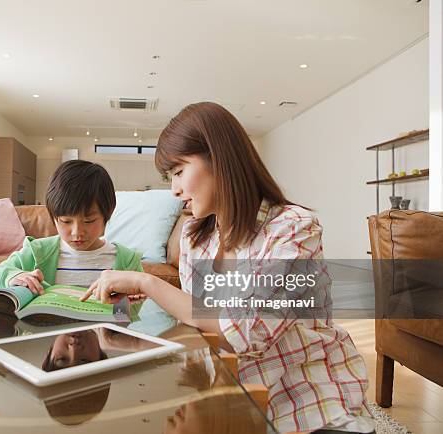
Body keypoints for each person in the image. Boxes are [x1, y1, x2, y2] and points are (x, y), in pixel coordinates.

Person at [81, 102, 374, 433]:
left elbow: (247, 329)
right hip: (228, 387)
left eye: (179, 172)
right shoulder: (197, 238)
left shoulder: (293, 227)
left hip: (302, 387)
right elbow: (201, 325)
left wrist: (149, 284)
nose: (174, 189)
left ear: (218, 158)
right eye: (169, 177)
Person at [0, 160, 143, 294]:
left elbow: (131, 317)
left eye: (89, 221)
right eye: (65, 221)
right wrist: (9, 277)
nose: (77, 232)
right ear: (53, 218)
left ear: (107, 215)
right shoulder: (36, 253)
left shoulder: (126, 262)